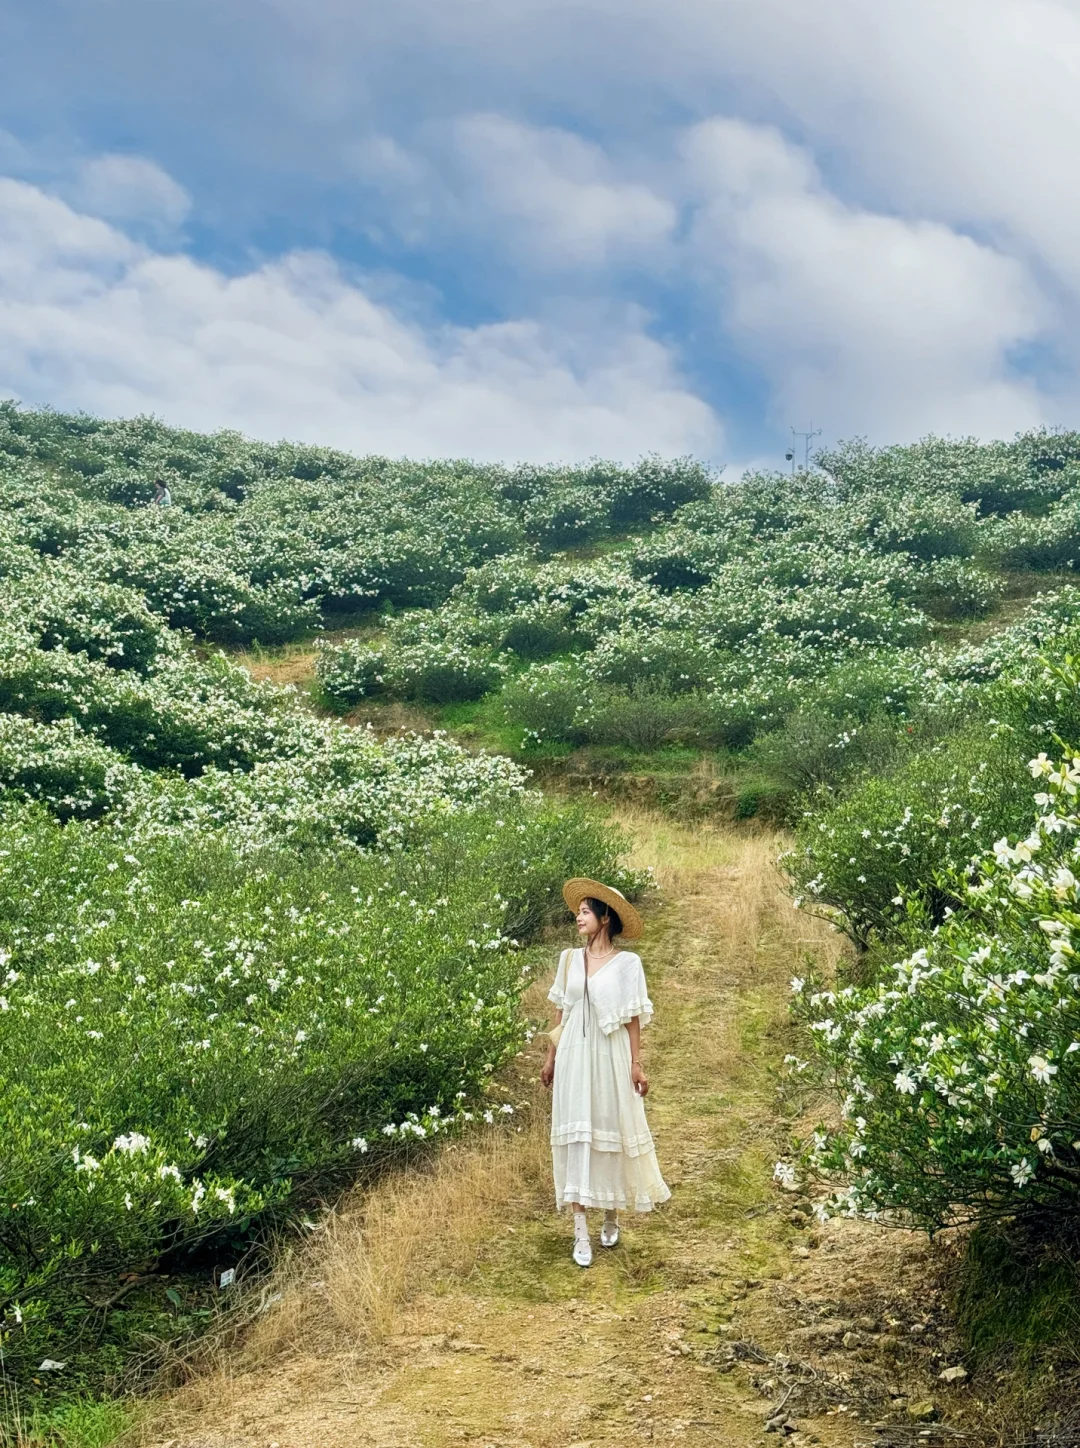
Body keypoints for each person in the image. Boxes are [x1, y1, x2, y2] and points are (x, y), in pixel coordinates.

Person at [541, 877, 670, 1267]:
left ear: (605, 917)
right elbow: (560, 1012)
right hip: (574, 1059)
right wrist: (550, 1057)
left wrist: (636, 1063)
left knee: (609, 1130)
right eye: (577, 912)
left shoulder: (628, 964)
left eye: (585, 912)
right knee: (577, 1136)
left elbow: (632, 1018)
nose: (578, 918)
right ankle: (580, 1231)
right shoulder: (568, 960)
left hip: (610, 1055)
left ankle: (611, 1213)